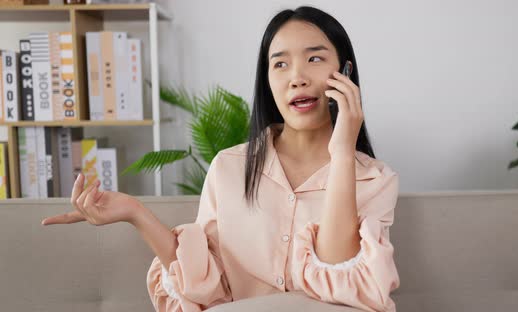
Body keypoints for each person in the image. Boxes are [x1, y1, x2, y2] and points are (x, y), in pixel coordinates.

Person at [41, 6, 400, 312]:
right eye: (280, 64)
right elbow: (210, 290)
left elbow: (340, 283)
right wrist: (136, 214)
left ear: (345, 74)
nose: (297, 78)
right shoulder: (229, 167)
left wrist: (341, 153)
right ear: (267, 80)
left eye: (315, 58)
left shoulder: (375, 180)